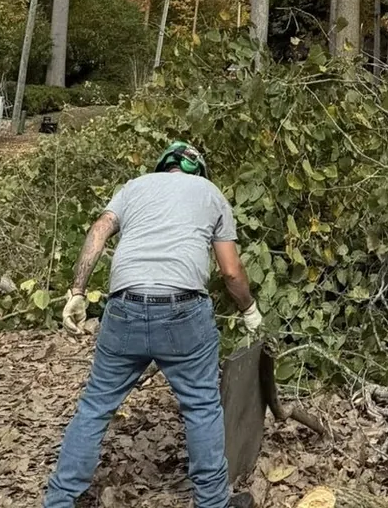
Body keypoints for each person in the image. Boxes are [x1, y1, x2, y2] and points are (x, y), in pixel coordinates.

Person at [42, 139, 263, 508]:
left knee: (96, 405)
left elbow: (99, 230)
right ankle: (212, 503)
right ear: (199, 171)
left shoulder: (134, 187)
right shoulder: (210, 193)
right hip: (183, 311)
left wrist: (77, 291)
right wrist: (250, 310)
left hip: (124, 307)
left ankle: (59, 501)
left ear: (164, 167)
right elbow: (231, 272)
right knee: (202, 406)